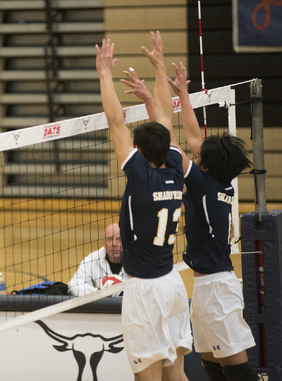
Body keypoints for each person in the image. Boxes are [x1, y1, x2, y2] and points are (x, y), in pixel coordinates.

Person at [125, 31, 258, 381]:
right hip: (205, 287)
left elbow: (166, 138)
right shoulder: (220, 180)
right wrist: (183, 92)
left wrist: (156, 92)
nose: (195, 152)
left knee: (234, 366)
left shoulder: (201, 186)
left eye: (199, 156)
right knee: (211, 365)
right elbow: (192, 137)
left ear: (205, 166)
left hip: (217, 288)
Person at [96, 36, 191, 381]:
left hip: (143, 291)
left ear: (138, 150)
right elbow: (165, 117)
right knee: (176, 376)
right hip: (173, 284)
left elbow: (114, 120)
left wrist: (104, 73)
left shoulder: (138, 175)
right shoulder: (177, 163)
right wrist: (158, 71)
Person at [68, 223, 125, 297]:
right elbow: (74, 286)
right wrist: (100, 293)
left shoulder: (135, 260)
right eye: (109, 239)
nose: (114, 244)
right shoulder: (93, 259)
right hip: (100, 306)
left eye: (119, 239)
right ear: (104, 242)